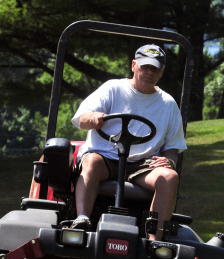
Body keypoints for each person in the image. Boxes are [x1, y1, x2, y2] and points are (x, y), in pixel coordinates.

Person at [70, 44, 187, 240]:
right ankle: (82, 219)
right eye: (144, 67)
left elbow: (173, 146)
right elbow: (80, 119)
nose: (149, 72)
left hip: (142, 164)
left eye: (155, 68)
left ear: (162, 72)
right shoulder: (113, 88)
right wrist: (92, 118)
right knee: (90, 162)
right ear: (134, 65)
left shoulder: (168, 104)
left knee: (169, 177)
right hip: (105, 156)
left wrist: (170, 162)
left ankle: (155, 240)